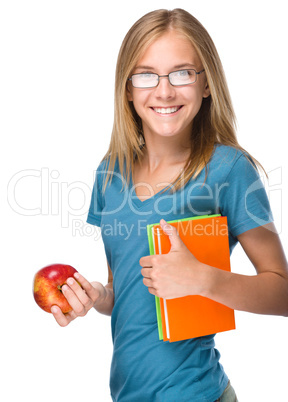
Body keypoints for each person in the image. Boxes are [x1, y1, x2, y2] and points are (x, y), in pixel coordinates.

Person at [51, 8, 288, 402]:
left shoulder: (228, 169)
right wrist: (96, 296)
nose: (164, 91)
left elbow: (283, 294)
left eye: (182, 73)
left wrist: (203, 279)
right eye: (146, 75)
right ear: (127, 88)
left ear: (206, 83)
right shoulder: (110, 175)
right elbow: (126, 292)